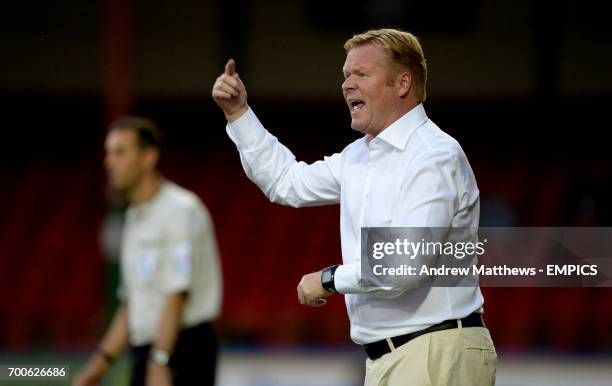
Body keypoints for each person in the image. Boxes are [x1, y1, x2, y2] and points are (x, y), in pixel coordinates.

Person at [212, 28, 496, 385]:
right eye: (346, 75)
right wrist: (239, 115)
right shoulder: (359, 156)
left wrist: (331, 279)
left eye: (361, 74)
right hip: (395, 356)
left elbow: (405, 263)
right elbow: (287, 182)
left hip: (434, 352)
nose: (347, 85)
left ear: (402, 83)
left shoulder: (433, 155)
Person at [73, 117, 222, 386]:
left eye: (120, 152)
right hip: (149, 351)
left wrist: (160, 362)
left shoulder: (180, 209)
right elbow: (133, 301)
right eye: (108, 153)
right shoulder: (134, 216)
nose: (109, 162)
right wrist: (99, 365)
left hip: (182, 350)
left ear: (149, 157)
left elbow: (177, 293)